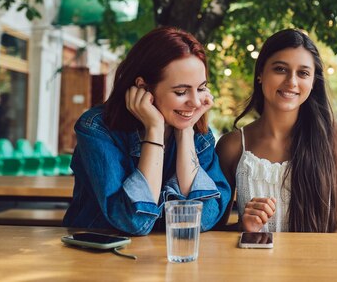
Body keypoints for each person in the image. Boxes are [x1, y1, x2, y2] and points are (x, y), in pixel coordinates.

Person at [63, 27, 231, 235]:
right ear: (143, 87)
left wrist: (186, 131)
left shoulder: (198, 134)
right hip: (99, 256)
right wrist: (154, 129)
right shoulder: (96, 128)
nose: (196, 102)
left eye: (201, 88)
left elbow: (203, 219)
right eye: (181, 92)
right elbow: (135, 221)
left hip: (165, 258)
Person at [216, 29, 337, 233]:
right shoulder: (232, 146)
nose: (291, 81)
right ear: (260, 75)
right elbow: (213, 234)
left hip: (318, 264)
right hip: (254, 264)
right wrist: (243, 226)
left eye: (303, 73)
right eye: (280, 69)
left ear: (312, 82)